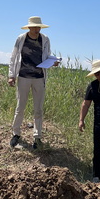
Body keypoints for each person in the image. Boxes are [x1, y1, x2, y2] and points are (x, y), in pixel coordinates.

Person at [8, 16, 59, 150]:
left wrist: (53, 62)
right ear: (29, 27)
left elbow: (47, 56)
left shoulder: (45, 39)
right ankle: (16, 133)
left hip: (39, 77)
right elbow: (14, 57)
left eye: (38, 27)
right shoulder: (21, 38)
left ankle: (37, 137)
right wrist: (11, 75)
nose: (37, 29)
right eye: (34, 27)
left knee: (38, 109)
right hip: (23, 76)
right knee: (20, 107)